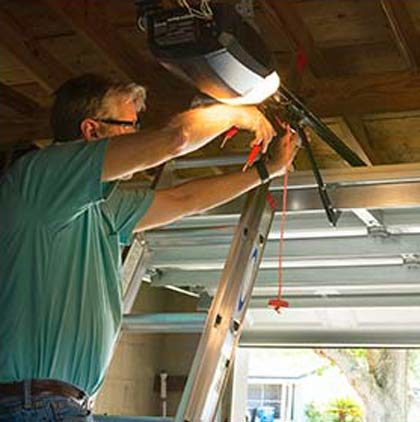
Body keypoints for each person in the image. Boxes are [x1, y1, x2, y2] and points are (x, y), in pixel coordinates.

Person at [0, 74, 300, 421]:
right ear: (92, 131)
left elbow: (183, 199)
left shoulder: (102, 206)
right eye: (129, 124)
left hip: (52, 405)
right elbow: (175, 138)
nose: (135, 134)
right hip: (34, 405)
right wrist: (237, 113)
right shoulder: (41, 179)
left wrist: (266, 171)